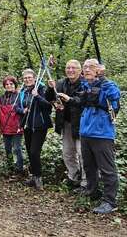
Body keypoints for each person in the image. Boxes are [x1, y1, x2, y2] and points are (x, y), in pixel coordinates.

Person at [58, 59, 121, 214]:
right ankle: (92, 191)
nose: (86, 70)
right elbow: (80, 102)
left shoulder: (107, 85)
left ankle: (110, 201)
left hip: (102, 134)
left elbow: (115, 96)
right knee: (89, 166)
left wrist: (104, 78)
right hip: (86, 132)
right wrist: (69, 100)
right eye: (84, 67)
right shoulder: (87, 86)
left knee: (107, 169)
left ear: (98, 69)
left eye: (90, 67)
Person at [45, 60, 85, 190]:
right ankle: (73, 177)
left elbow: (82, 101)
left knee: (82, 153)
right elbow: (49, 98)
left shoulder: (85, 84)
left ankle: (86, 182)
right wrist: (51, 89)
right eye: (68, 68)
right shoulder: (62, 83)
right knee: (68, 153)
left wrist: (69, 99)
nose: (70, 70)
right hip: (66, 123)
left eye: (74, 68)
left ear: (80, 70)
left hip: (81, 124)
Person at [17, 69, 53, 190]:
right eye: (25, 78)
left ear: (34, 78)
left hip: (40, 126)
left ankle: (38, 178)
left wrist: (37, 96)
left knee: (34, 152)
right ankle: (33, 176)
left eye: (29, 77)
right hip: (28, 125)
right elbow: (19, 106)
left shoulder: (41, 89)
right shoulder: (23, 91)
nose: (27, 80)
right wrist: (23, 110)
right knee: (29, 151)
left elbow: (48, 106)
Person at [0, 76, 24, 173]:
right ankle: (10, 166)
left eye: (11, 84)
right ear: (4, 86)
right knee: (8, 148)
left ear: (15, 85)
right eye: (7, 84)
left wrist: (23, 110)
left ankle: (19, 168)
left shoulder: (19, 96)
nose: (9, 86)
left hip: (17, 127)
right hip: (5, 128)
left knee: (17, 148)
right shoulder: (2, 98)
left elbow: (24, 108)